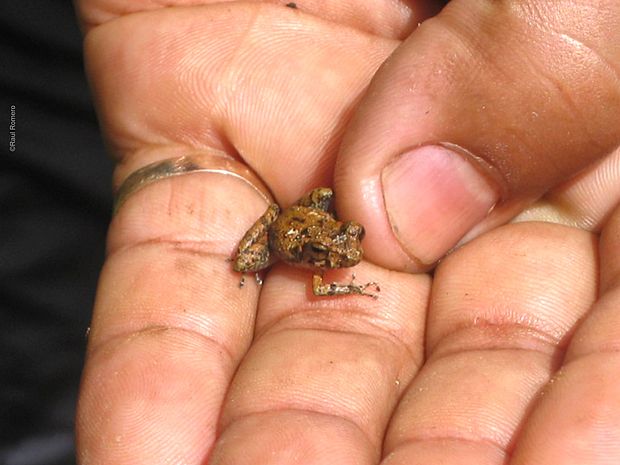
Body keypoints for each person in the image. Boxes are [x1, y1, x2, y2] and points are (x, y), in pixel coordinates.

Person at [74, 0, 620, 463]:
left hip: (304, 218)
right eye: (339, 248)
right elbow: (317, 282)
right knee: (244, 264)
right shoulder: (313, 263)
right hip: (283, 229)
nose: (350, 254)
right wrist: (342, 282)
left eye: (349, 240)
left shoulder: (334, 244)